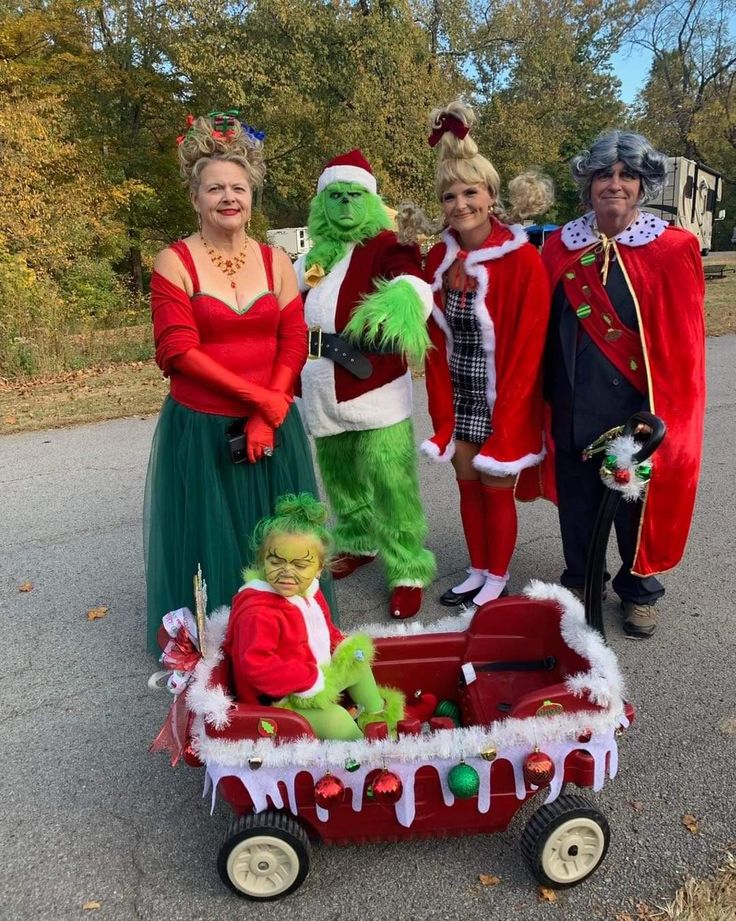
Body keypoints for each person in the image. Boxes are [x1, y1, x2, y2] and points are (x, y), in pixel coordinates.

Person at [144, 112, 322, 653]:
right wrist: (262, 403)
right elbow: (178, 351)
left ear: (252, 197)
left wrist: (269, 412)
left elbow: (293, 339)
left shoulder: (276, 261)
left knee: (278, 530)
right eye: (215, 188)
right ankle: (222, 636)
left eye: (238, 188)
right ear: (195, 198)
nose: (228, 197)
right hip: (202, 427)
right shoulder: (174, 261)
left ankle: (286, 627)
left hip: (273, 422)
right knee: (211, 537)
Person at [531, 130, 706, 638]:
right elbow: (539, 326)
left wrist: (676, 414)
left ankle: (639, 591)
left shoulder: (672, 249)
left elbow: (686, 345)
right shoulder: (560, 247)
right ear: (587, 184)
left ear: (643, 183)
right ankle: (582, 583)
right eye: (603, 174)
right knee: (579, 505)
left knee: (635, 505)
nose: (614, 183)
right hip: (570, 403)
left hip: (637, 411)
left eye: (626, 174)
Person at [417, 100, 552, 607]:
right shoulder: (439, 256)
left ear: (491, 195)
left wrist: (511, 411)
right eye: (449, 195)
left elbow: (529, 344)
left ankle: (497, 578)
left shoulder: (520, 260)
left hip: (505, 395)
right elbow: (430, 334)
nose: (459, 204)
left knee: (497, 485)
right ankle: (476, 569)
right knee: (467, 483)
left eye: (469, 191)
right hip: (458, 391)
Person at [294, 150, 436, 620]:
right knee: (340, 477)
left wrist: (401, 299)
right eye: (335, 196)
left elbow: (410, 279)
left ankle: (408, 567)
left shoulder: (386, 244)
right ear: (321, 204)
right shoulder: (313, 256)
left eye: (354, 195)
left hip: (373, 385)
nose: (345, 204)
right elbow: (283, 298)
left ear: (372, 201)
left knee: (391, 481)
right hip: (320, 383)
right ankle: (358, 541)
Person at [224, 494, 415, 740]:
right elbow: (257, 667)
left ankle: (380, 720)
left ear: (319, 568)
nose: (287, 571)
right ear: (263, 560)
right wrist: (310, 679)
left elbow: (324, 628)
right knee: (337, 720)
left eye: (300, 564)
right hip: (278, 699)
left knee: (357, 664)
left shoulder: (309, 590)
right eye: (276, 561)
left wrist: (339, 646)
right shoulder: (258, 613)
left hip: (312, 672)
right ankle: (365, 753)